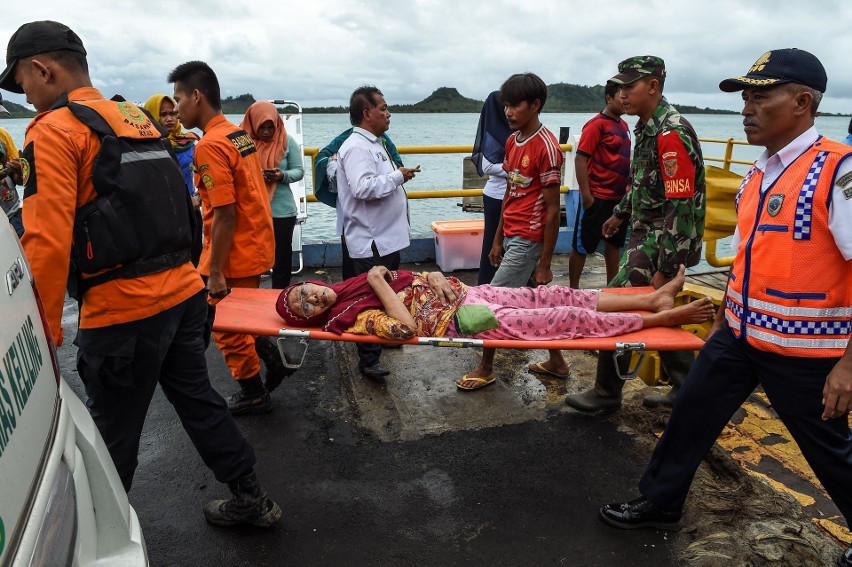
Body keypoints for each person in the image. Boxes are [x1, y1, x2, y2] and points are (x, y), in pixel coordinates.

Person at [0, 20, 280, 526]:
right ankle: (252, 498)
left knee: (114, 438)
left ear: (42, 68)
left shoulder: (54, 130)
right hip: (183, 294)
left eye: (22, 81)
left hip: (121, 315)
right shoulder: (134, 117)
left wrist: (43, 332)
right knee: (200, 402)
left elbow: (45, 242)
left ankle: (105, 539)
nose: (25, 95)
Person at [599, 49, 852, 567]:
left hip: (804, 350)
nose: (746, 109)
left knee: (829, 450)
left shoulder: (836, 171)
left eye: (761, 97)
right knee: (691, 410)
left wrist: (849, 364)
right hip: (739, 333)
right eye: (745, 98)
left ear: (802, 102)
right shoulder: (758, 173)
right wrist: (720, 323)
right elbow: (749, 257)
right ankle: (662, 501)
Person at [565, 56, 705, 411]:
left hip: (663, 241)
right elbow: (643, 183)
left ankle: (607, 392)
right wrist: (619, 214)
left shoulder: (671, 132)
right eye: (620, 87)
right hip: (645, 234)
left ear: (653, 87)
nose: (622, 94)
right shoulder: (647, 127)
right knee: (655, 311)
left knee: (617, 304)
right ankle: (689, 388)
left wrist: (669, 266)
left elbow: (682, 204)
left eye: (630, 86)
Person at [168, 61, 286, 413]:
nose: (176, 108)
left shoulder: (210, 146)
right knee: (245, 315)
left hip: (233, 253)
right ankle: (274, 360)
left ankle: (253, 393)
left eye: (178, 99)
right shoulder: (238, 136)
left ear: (196, 96)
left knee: (226, 327)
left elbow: (224, 213)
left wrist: (216, 271)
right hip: (255, 244)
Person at [276, 266, 714, 348]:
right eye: (304, 307)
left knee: (553, 295)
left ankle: (651, 297)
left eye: (304, 290)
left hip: (465, 292)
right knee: (563, 320)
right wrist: (377, 279)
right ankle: (663, 316)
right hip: (462, 320)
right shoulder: (348, 316)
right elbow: (406, 330)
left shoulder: (348, 286)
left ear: (313, 281)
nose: (311, 298)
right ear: (313, 318)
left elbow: (410, 279)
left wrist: (430, 276)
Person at [458, 73, 569, 391]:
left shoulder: (547, 148)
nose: (508, 111)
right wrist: (496, 239)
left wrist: (545, 261)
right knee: (537, 301)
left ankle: (485, 366)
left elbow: (551, 210)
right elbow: (511, 193)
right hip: (511, 236)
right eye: (505, 105)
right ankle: (557, 361)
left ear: (535, 105)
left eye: (515, 105)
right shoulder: (512, 140)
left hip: (529, 241)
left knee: (493, 301)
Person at [336, 85, 420, 382]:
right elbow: (363, 187)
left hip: (384, 238)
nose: (388, 113)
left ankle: (382, 338)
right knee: (370, 298)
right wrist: (399, 176)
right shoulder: (358, 147)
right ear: (366, 113)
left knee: (386, 293)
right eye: (383, 108)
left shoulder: (373, 142)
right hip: (372, 240)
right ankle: (368, 358)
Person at [568, 81, 630, 288]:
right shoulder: (596, 125)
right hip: (597, 196)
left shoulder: (624, 126)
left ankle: (612, 289)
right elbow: (580, 159)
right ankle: (573, 289)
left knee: (614, 244)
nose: (625, 100)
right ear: (609, 98)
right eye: (621, 96)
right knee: (582, 245)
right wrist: (586, 196)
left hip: (618, 200)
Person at [240, 100, 304, 289]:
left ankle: (278, 297)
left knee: (282, 257)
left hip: (282, 211)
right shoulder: (243, 144)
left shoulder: (286, 141)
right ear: (252, 124)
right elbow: (236, 172)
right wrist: (254, 176)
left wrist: (281, 175)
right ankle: (251, 296)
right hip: (253, 210)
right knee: (251, 257)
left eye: (271, 127)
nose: (267, 132)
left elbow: (298, 171)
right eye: (262, 127)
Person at [144, 94, 203, 266]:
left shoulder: (189, 142)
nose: (169, 118)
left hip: (191, 211)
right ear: (152, 115)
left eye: (172, 113)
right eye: (163, 114)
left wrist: (201, 196)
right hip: (165, 214)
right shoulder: (147, 146)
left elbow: (204, 173)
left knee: (195, 260)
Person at [471, 90, 512, 285]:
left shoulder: (515, 131)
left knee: (511, 244)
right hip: (496, 196)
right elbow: (487, 166)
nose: (507, 110)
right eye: (504, 106)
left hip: (514, 194)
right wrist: (515, 170)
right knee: (492, 243)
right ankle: (486, 285)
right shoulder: (492, 135)